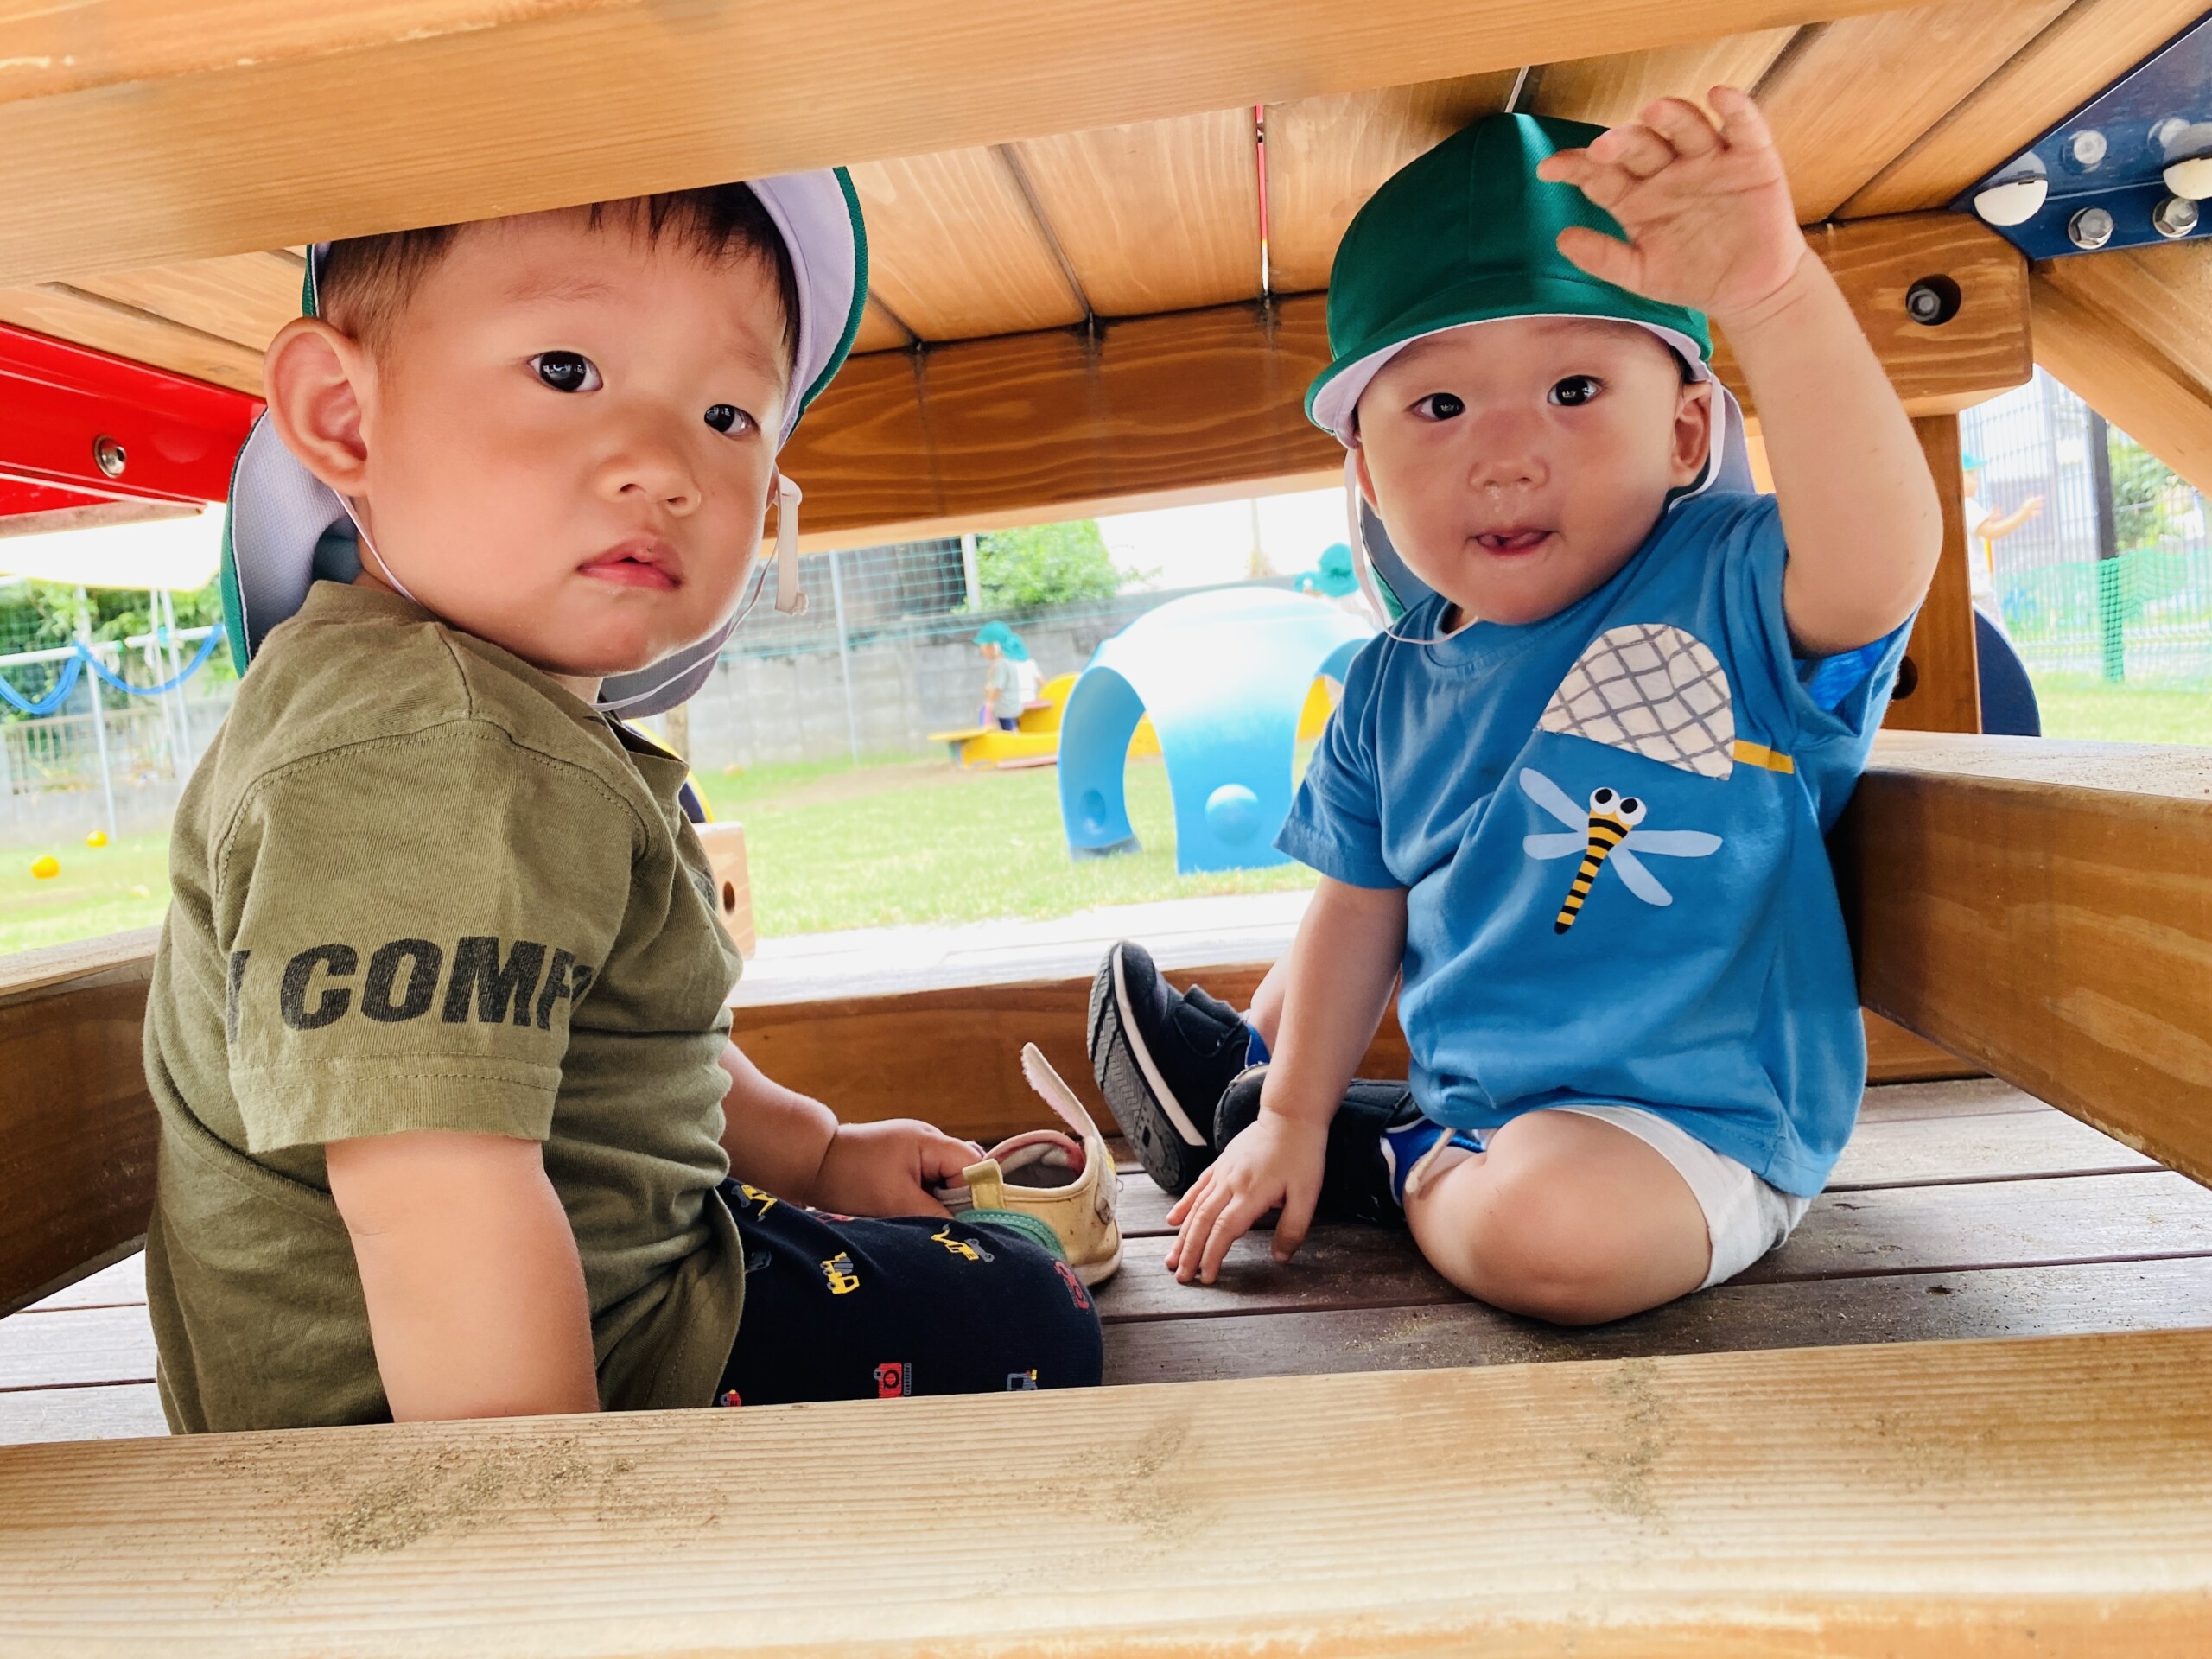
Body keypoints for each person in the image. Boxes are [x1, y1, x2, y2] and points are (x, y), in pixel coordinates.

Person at [143, 175, 1101, 1433]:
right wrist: (558, 1519)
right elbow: (435, 1208)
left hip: (604, 1284)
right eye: (566, 370)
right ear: (344, 415)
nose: (664, 466)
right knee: (1027, 1305)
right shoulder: (425, 746)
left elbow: (630, 1035)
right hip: (460, 1429)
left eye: (726, 413)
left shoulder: (486, 709)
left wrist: (815, 1152)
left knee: (976, 1266)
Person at [1086, 92, 1938, 1325]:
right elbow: (1358, 907)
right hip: (1491, 1098)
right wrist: (1292, 1115)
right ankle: (1280, 1098)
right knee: (1329, 1026)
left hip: (1697, 1125)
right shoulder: (1385, 681)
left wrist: (1772, 296)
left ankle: (1393, 1157)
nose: (1504, 457)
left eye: (1574, 388)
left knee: (1559, 1237)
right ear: (1366, 470)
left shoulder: (1730, 584)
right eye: (1439, 408)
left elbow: (1879, 564)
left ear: (1686, 431)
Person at [1961, 452, 2041, 632]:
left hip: (1968, 592)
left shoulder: (1958, 507)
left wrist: (1987, 520)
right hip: (1978, 593)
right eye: (1971, 474)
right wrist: (2023, 514)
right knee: (1999, 636)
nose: (1976, 479)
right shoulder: (1968, 505)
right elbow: (1991, 533)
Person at [974, 620, 1033, 730]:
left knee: (1008, 728)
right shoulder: (1007, 661)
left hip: (1005, 707)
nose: (985, 653)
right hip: (1010, 704)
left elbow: (998, 687)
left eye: (985, 649)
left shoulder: (1001, 664)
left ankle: (1014, 737)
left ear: (994, 647)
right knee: (1010, 726)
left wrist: (989, 703)